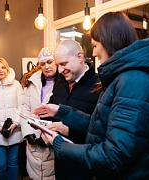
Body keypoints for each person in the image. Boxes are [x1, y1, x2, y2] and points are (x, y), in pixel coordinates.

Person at [34, 11, 149, 179]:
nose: (92, 53)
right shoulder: (124, 78)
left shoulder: (136, 82)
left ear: (109, 42)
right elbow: (99, 126)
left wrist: (59, 145)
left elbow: (114, 155)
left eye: (94, 45)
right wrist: (60, 111)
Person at [47, 40, 101, 179]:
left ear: (80, 57)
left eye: (63, 64)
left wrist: (69, 132)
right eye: (57, 65)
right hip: (61, 161)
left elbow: (101, 131)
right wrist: (36, 119)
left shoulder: (99, 85)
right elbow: (52, 111)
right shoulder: (59, 83)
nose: (59, 70)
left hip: (85, 166)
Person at [20, 47, 59, 180]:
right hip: (32, 140)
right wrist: (27, 132)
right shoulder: (33, 82)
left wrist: (45, 137)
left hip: (50, 139)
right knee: (35, 174)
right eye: (43, 64)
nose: (47, 66)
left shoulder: (63, 83)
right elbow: (25, 107)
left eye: (50, 62)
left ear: (56, 62)